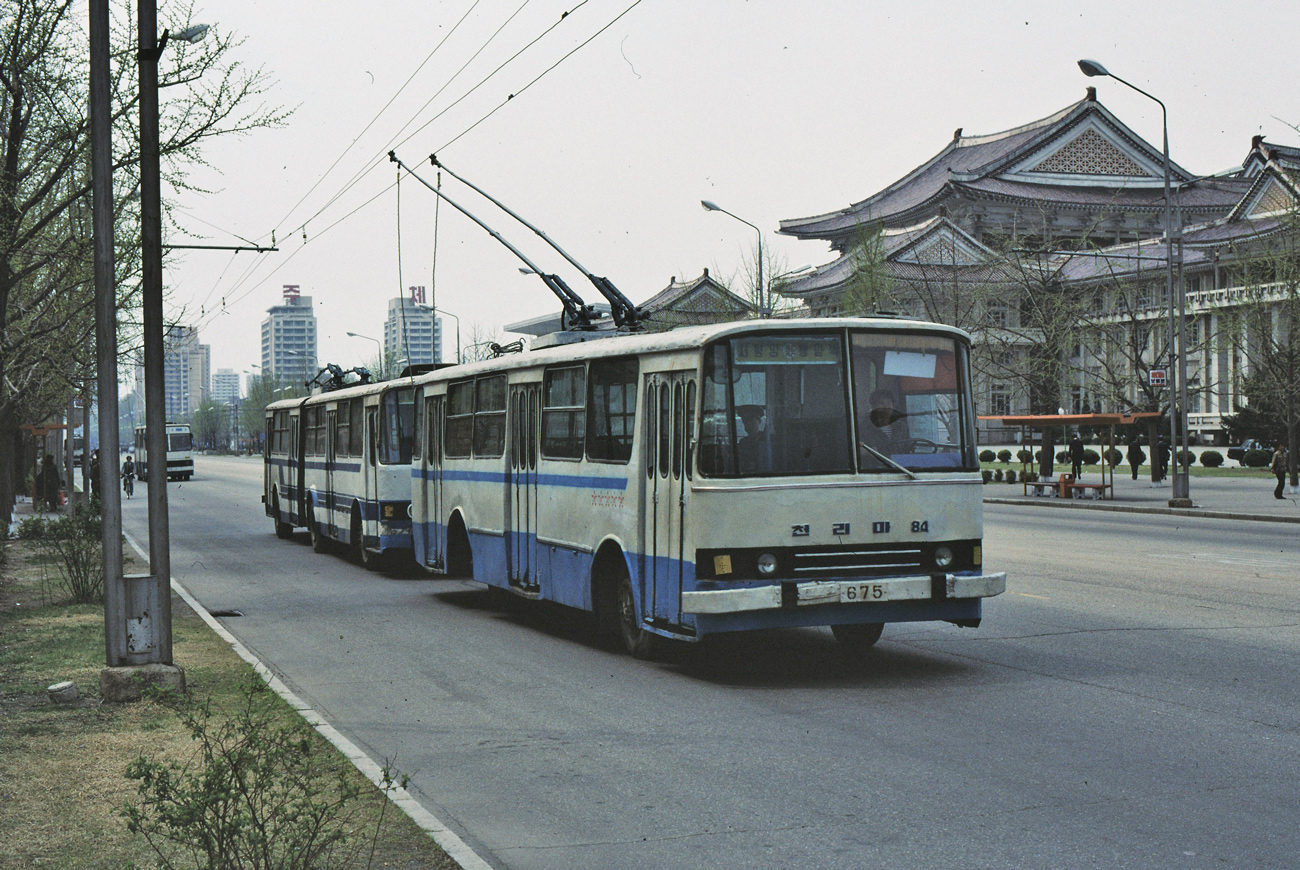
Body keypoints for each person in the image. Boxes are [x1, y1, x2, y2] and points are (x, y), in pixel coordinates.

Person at [736, 405, 771, 472]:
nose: (747, 424)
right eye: (745, 421)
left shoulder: (765, 440)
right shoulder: (743, 442)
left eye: (750, 420)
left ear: (759, 421)